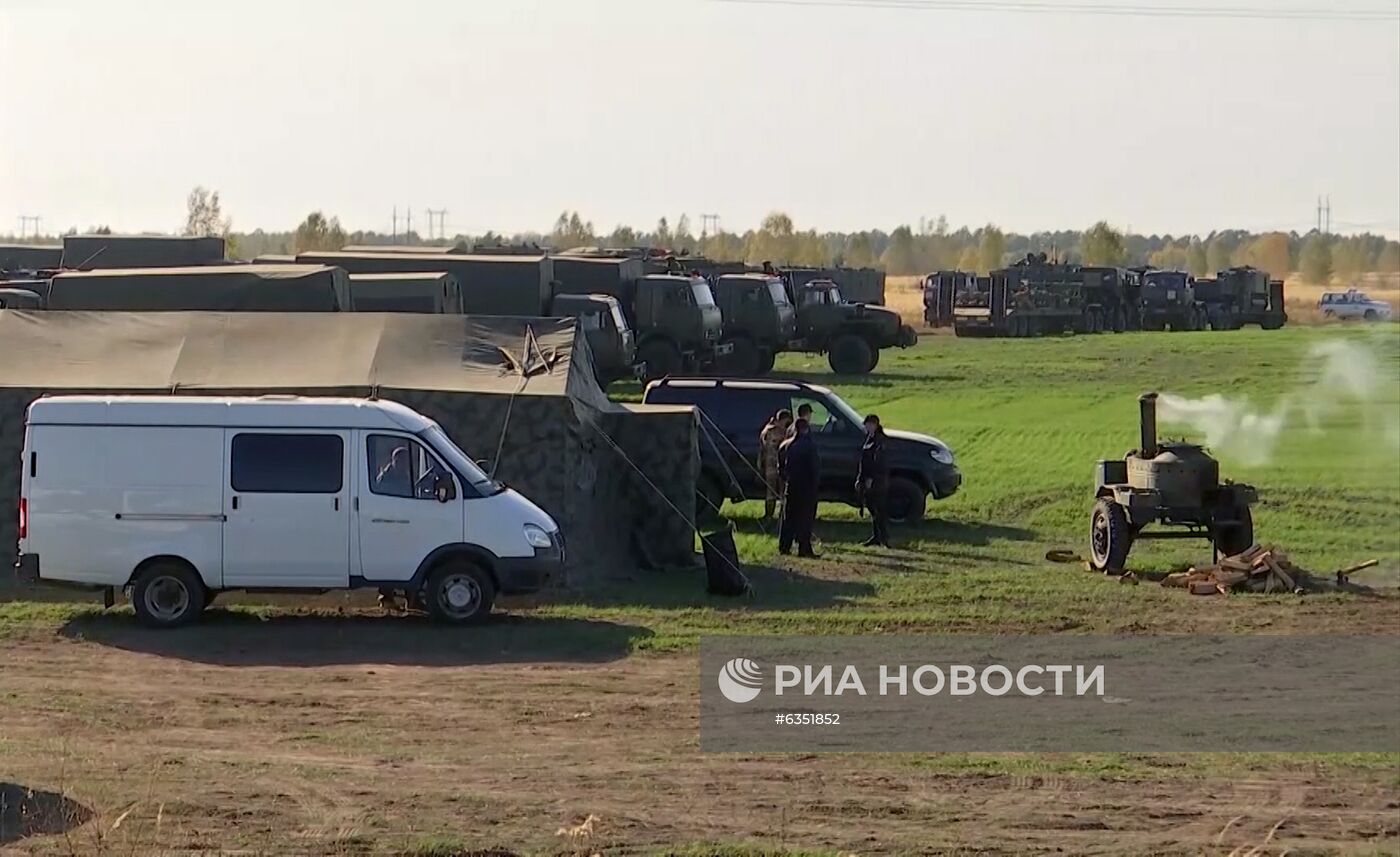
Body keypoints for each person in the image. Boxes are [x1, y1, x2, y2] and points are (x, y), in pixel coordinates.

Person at [777, 418, 821, 557]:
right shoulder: (810, 446)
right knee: (805, 519)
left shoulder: (785, 445)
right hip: (807, 487)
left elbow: (780, 468)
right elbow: (815, 468)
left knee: (788, 518)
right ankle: (804, 548)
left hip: (791, 486)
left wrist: (786, 479)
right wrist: (815, 485)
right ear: (807, 429)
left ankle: (784, 546)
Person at [857, 413, 891, 547]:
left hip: (878, 481)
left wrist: (871, 478)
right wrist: (860, 479)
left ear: (874, 425)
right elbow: (864, 462)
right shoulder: (870, 439)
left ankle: (884, 537)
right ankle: (877, 536)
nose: (866, 427)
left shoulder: (880, 441)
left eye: (868, 425)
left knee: (879, 509)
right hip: (869, 480)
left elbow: (879, 463)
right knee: (873, 508)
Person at [757, 408, 793, 521]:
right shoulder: (775, 431)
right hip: (776, 464)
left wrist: (760, 464)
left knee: (771, 491)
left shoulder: (767, 429)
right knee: (781, 491)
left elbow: (761, 449)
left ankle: (770, 515)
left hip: (769, 465)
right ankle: (780, 515)